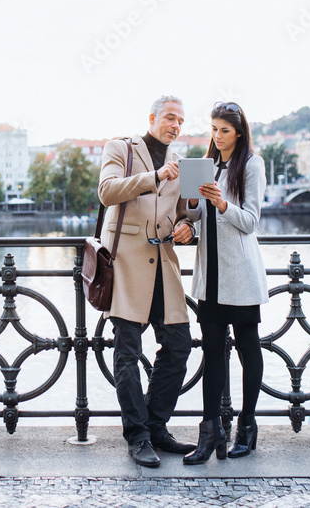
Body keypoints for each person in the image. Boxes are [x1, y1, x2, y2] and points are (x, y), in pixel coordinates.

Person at [97, 95, 198, 468]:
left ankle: (156, 426)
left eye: (181, 121)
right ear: (153, 118)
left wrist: (188, 225)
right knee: (127, 352)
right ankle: (136, 436)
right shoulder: (121, 148)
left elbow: (184, 211)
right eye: (170, 118)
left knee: (179, 344)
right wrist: (154, 176)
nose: (175, 125)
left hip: (164, 264)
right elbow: (107, 192)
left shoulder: (182, 164)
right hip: (125, 264)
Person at [180, 101, 268, 465]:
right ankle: (210, 431)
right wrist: (191, 202)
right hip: (210, 275)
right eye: (213, 129)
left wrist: (221, 205)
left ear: (239, 132)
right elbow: (196, 215)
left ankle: (247, 425)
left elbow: (251, 221)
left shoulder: (251, 164)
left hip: (241, 273)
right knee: (213, 353)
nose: (217, 136)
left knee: (248, 349)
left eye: (224, 130)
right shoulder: (207, 164)